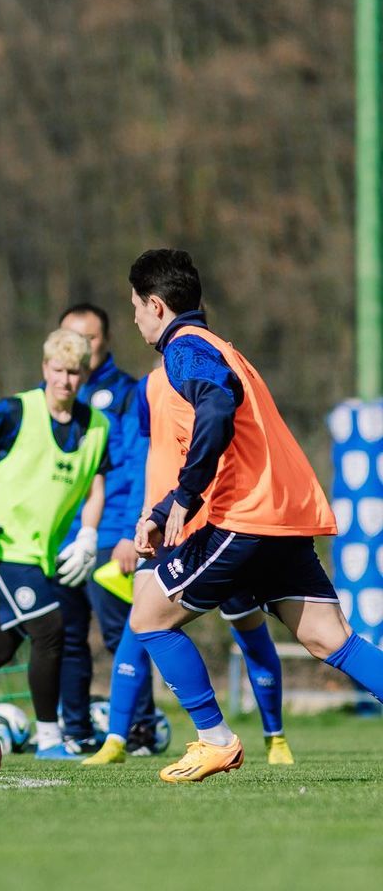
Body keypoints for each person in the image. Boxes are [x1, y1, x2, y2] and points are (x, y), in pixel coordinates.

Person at [126, 248, 383, 783]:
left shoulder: (185, 348)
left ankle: (215, 740)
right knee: (329, 638)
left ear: (156, 305)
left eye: (135, 307)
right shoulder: (220, 347)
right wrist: (162, 507)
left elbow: (217, 409)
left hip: (246, 516)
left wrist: (185, 498)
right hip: (281, 513)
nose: (134, 320)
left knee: (149, 616)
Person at [84, 365, 294, 767]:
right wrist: (146, 514)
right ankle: (115, 739)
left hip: (218, 524)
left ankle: (275, 737)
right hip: (168, 522)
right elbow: (150, 451)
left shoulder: (214, 372)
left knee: (250, 629)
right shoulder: (148, 384)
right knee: (140, 621)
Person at [0, 327, 110, 758]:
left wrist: (89, 535)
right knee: (50, 629)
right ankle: (50, 738)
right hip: (3, 544)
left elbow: (97, 485)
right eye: (58, 370)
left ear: (85, 374)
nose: (65, 380)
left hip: (41, 554)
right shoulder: (14, 411)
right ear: (45, 368)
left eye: (75, 372)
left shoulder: (96, 426)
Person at [52, 303, 151, 754]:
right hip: (59, 538)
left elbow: (139, 467)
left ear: (106, 341)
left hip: (111, 535)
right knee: (66, 636)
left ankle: (140, 730)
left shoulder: (129, 394)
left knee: (124, 633)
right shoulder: (46, 395)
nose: (81, 347)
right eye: (71, 336)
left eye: (90, 338)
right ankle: (74, 731)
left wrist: (131, 533)